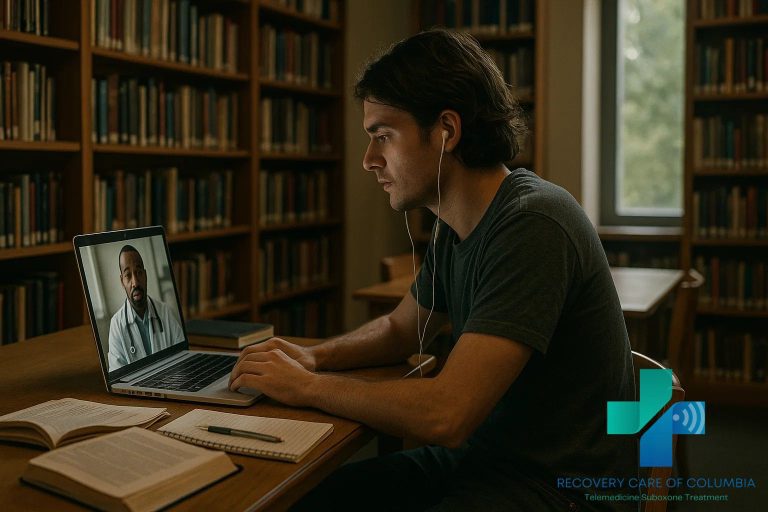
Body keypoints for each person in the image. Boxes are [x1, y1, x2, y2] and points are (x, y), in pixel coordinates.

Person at [230, 29, 637, 510]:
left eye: (383, 135)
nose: (368, 160)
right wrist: (314, 358)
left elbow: (448, 414)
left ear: (446, 131)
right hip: (485, 461)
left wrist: (308, 388)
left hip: (559, 489)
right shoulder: (455, 224)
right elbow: (400, 329)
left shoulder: (533, 222)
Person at [108, 245, 184, 370]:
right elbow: (118, 377)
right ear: (122, 281)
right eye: (128, 275)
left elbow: (183, 357)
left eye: (139, 272)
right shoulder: (116, 325)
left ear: (145, 275)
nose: (135, 282)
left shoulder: (164, 312)